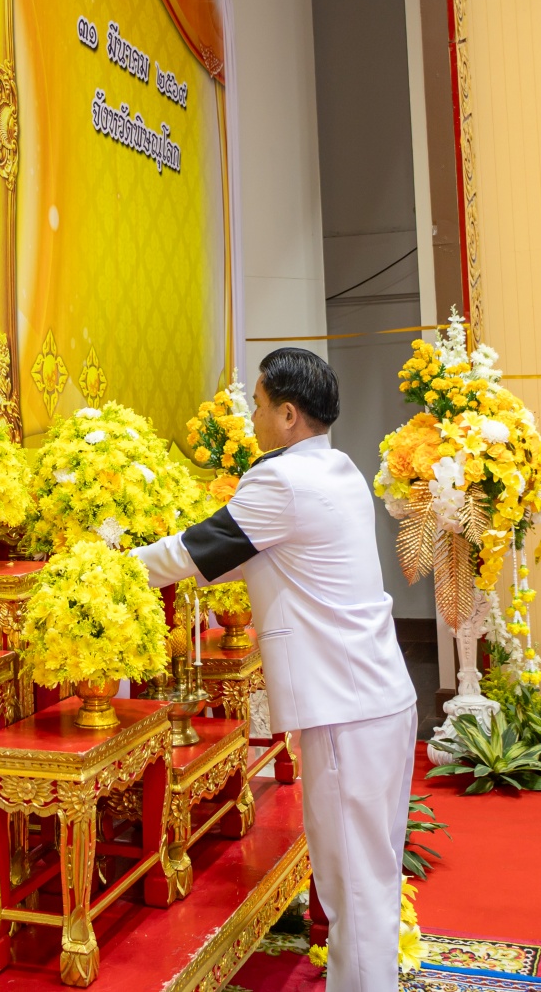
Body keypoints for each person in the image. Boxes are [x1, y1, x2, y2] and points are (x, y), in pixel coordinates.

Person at [131, 348, 415, 992]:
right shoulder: (336, 468)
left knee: (352, 885)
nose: (252, 417)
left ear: (288, 414)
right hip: (374, 698)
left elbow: (195, 551)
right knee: (366, 874)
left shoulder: (282, 482)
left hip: (346, 707)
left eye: (258, 406)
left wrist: (110, 561)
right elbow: (237, 557)